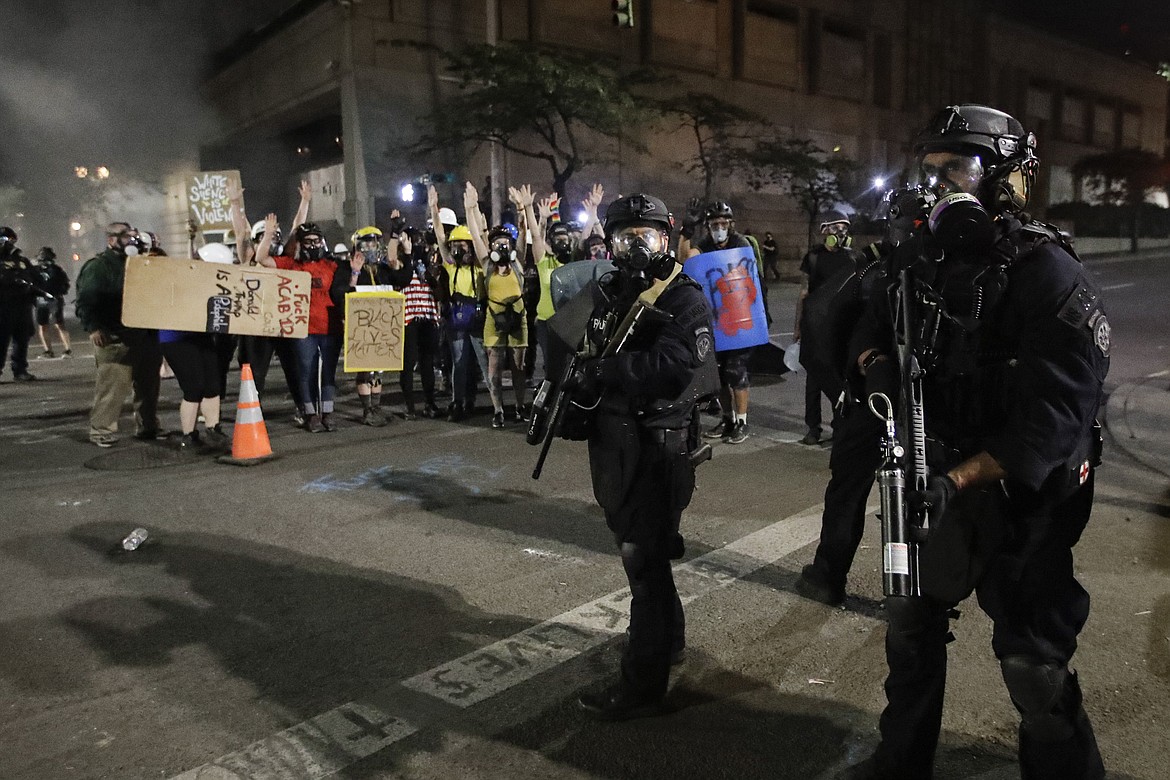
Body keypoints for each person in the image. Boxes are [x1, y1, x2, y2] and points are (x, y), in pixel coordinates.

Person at [842, 104, 1108, 780]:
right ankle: (900, 764)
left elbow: (1059, 411)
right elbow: (863, 328)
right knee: (910, 630)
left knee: (1032, 667)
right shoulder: (916, 258)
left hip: (1024, 495)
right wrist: (875, 370)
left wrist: (960, 478)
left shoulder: (1047, 271)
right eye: (930, 171)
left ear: (1007, 177)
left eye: (957, 167)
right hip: (929, 473)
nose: (940, 186)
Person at [570, 193, 717, 721]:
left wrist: (607, 371)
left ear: (667, 237)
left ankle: (642, 687)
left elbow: (678, 365)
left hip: (657, 447)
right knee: (646, 560)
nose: (635, 246)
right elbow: (572, 338)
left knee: (644, 564)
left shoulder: (682, 296)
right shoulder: (612, 291)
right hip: (617, 445)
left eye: (646, 236)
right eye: (624, 236)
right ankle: (667, 643)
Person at [257, 218, 351, 432]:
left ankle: (327, 412)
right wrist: (269, 234)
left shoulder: (332, 265)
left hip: (331, 327)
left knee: (329, 371)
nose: (314, 245)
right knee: (305, 371)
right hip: (303, 328)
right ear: (300, 244)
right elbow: (261, 258)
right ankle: (310, 414)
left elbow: (346, 289)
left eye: (317, 241)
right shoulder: (291, 265)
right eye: (308, 241)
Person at [686, 201, 769, 445]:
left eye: (723, 223)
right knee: (719, 375)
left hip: (740, 321)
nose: (719, 228)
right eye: (714, 224)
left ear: (730, 224)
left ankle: (742, 422)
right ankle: (728, 419)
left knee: (736, 371)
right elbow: (686, 259)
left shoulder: (740, 243)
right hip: (717, 323)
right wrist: (686, 230)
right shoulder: (704, 245)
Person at [75, 222, 163, 447]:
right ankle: (102, 430)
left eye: (133, 236)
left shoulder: (140, 262)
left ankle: (148, 426)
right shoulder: (99, 267)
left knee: (148, 386)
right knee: (112, 389)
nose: (131, 240)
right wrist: (93, 327)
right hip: (115, 336)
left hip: (145, 335)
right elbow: (86, 299)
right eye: (125, 236)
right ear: (111, 240)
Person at [794, 211, 862, 445]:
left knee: (840, 380)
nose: (840, 233)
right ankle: (813, 428)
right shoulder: (812, 258)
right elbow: (804, 294)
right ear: (824, 231)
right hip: (814, 328)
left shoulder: (854, 258)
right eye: (835, 228)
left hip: (840, 329)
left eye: (844, 228)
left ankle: (839, 424)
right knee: (813, 380)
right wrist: (798, 327)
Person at [158, 243, 231, 453]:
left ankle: (213, 427)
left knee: (212, 384)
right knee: (194, 386)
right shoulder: (181, 279)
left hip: (201, 336)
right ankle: (188, 434)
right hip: (176, 338)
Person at [428, 184, 489, 422]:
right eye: (454, 247)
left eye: (461, 246)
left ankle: (492, 404)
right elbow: (441, 236)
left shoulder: (478, 264)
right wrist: (434, 208)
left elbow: (479, 236)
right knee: (459, 363)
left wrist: (471, 209)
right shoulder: (450, 265)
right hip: (456, 317)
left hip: (477, 316)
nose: (455, 250)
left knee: (482, 364)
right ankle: (459, 402)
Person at [347, 225, 399, 426]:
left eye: (374, 243)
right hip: (361, 325)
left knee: (378, 369)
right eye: (366, 243)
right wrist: (354, 272)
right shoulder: (349, 267)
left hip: (381, 326)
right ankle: (367, 409)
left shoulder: (382, 270)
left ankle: (376, 406)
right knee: (364, 369)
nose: (371, 247)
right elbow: (344, 292)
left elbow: (400, 279)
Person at [392, 225, 443, 420]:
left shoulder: (427, 265)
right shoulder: (400, 263)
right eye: (412, 240)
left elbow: (438, 293)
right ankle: (409, 406)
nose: (416, 244)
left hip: (428, 317)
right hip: (408, 318)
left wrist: (432, 276)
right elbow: (394, 268)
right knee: (407, 363)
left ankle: (430, 403)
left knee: (427, 363)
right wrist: (397, 237)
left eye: (418, 240)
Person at [0, 227, 39, 381]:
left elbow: (35, 278)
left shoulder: (21, 261)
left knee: (22, 339)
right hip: (3, 306)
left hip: (22, 306)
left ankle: (20, 369)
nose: (7, 243)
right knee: (1, 340)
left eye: (10, 240)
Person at [32, 247, 73, 358]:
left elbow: (65, 284)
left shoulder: (56, 270)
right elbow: (31, 285)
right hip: (41, 300)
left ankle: (67, 349)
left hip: (54, 299)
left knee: (59, 324)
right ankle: (48, 350)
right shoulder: (35, 271)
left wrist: (59, 292)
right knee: (43, 325)